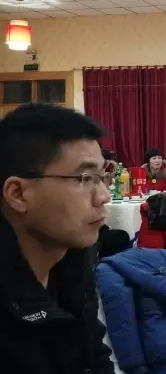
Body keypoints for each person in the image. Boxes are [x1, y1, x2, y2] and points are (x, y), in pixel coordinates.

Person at [0, 104, 115, 374]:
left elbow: (95, 357)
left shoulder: (74, 259)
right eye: (85, 177)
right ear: (18, 194)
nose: (104, 196)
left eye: (102, 176)